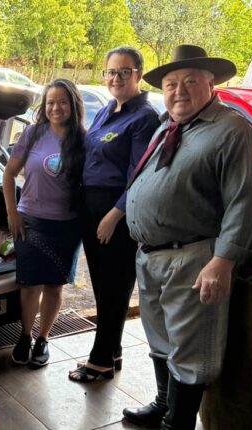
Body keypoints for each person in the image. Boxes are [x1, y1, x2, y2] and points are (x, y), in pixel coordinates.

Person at [123, 45, 252, 429]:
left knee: (190, 349)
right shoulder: (167, 126)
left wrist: (222, 262)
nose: (179, 91)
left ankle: (178, 422)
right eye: (171, 84)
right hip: (152, 256)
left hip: (192, 257)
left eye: (190, 81)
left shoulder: (232, 130)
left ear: (211, 83)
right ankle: (162, 404)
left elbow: (248, 202)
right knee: (160, 338)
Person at [69, 46, 161, 382]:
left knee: (115, 286)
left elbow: (139, 175)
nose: (116, 78)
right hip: (92, 205)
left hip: (116, 212)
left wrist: (114, 215)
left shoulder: (144, 117)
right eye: (111, 71)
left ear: (139, 74)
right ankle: (114, 349)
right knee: (103, 285)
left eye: (124, 71)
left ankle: (100, 361)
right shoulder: (108, 108)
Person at [3, 79, 86, 367]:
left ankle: (43, 338)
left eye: (62, 102)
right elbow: (9, 174)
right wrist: (12, 213)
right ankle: (25, 335)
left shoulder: (83, 139)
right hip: (30, 222)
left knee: (54, 286)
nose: (56, 107)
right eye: (50, 102)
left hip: (67, 227)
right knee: (29, 285)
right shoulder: (33, 133)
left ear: (73, 105)